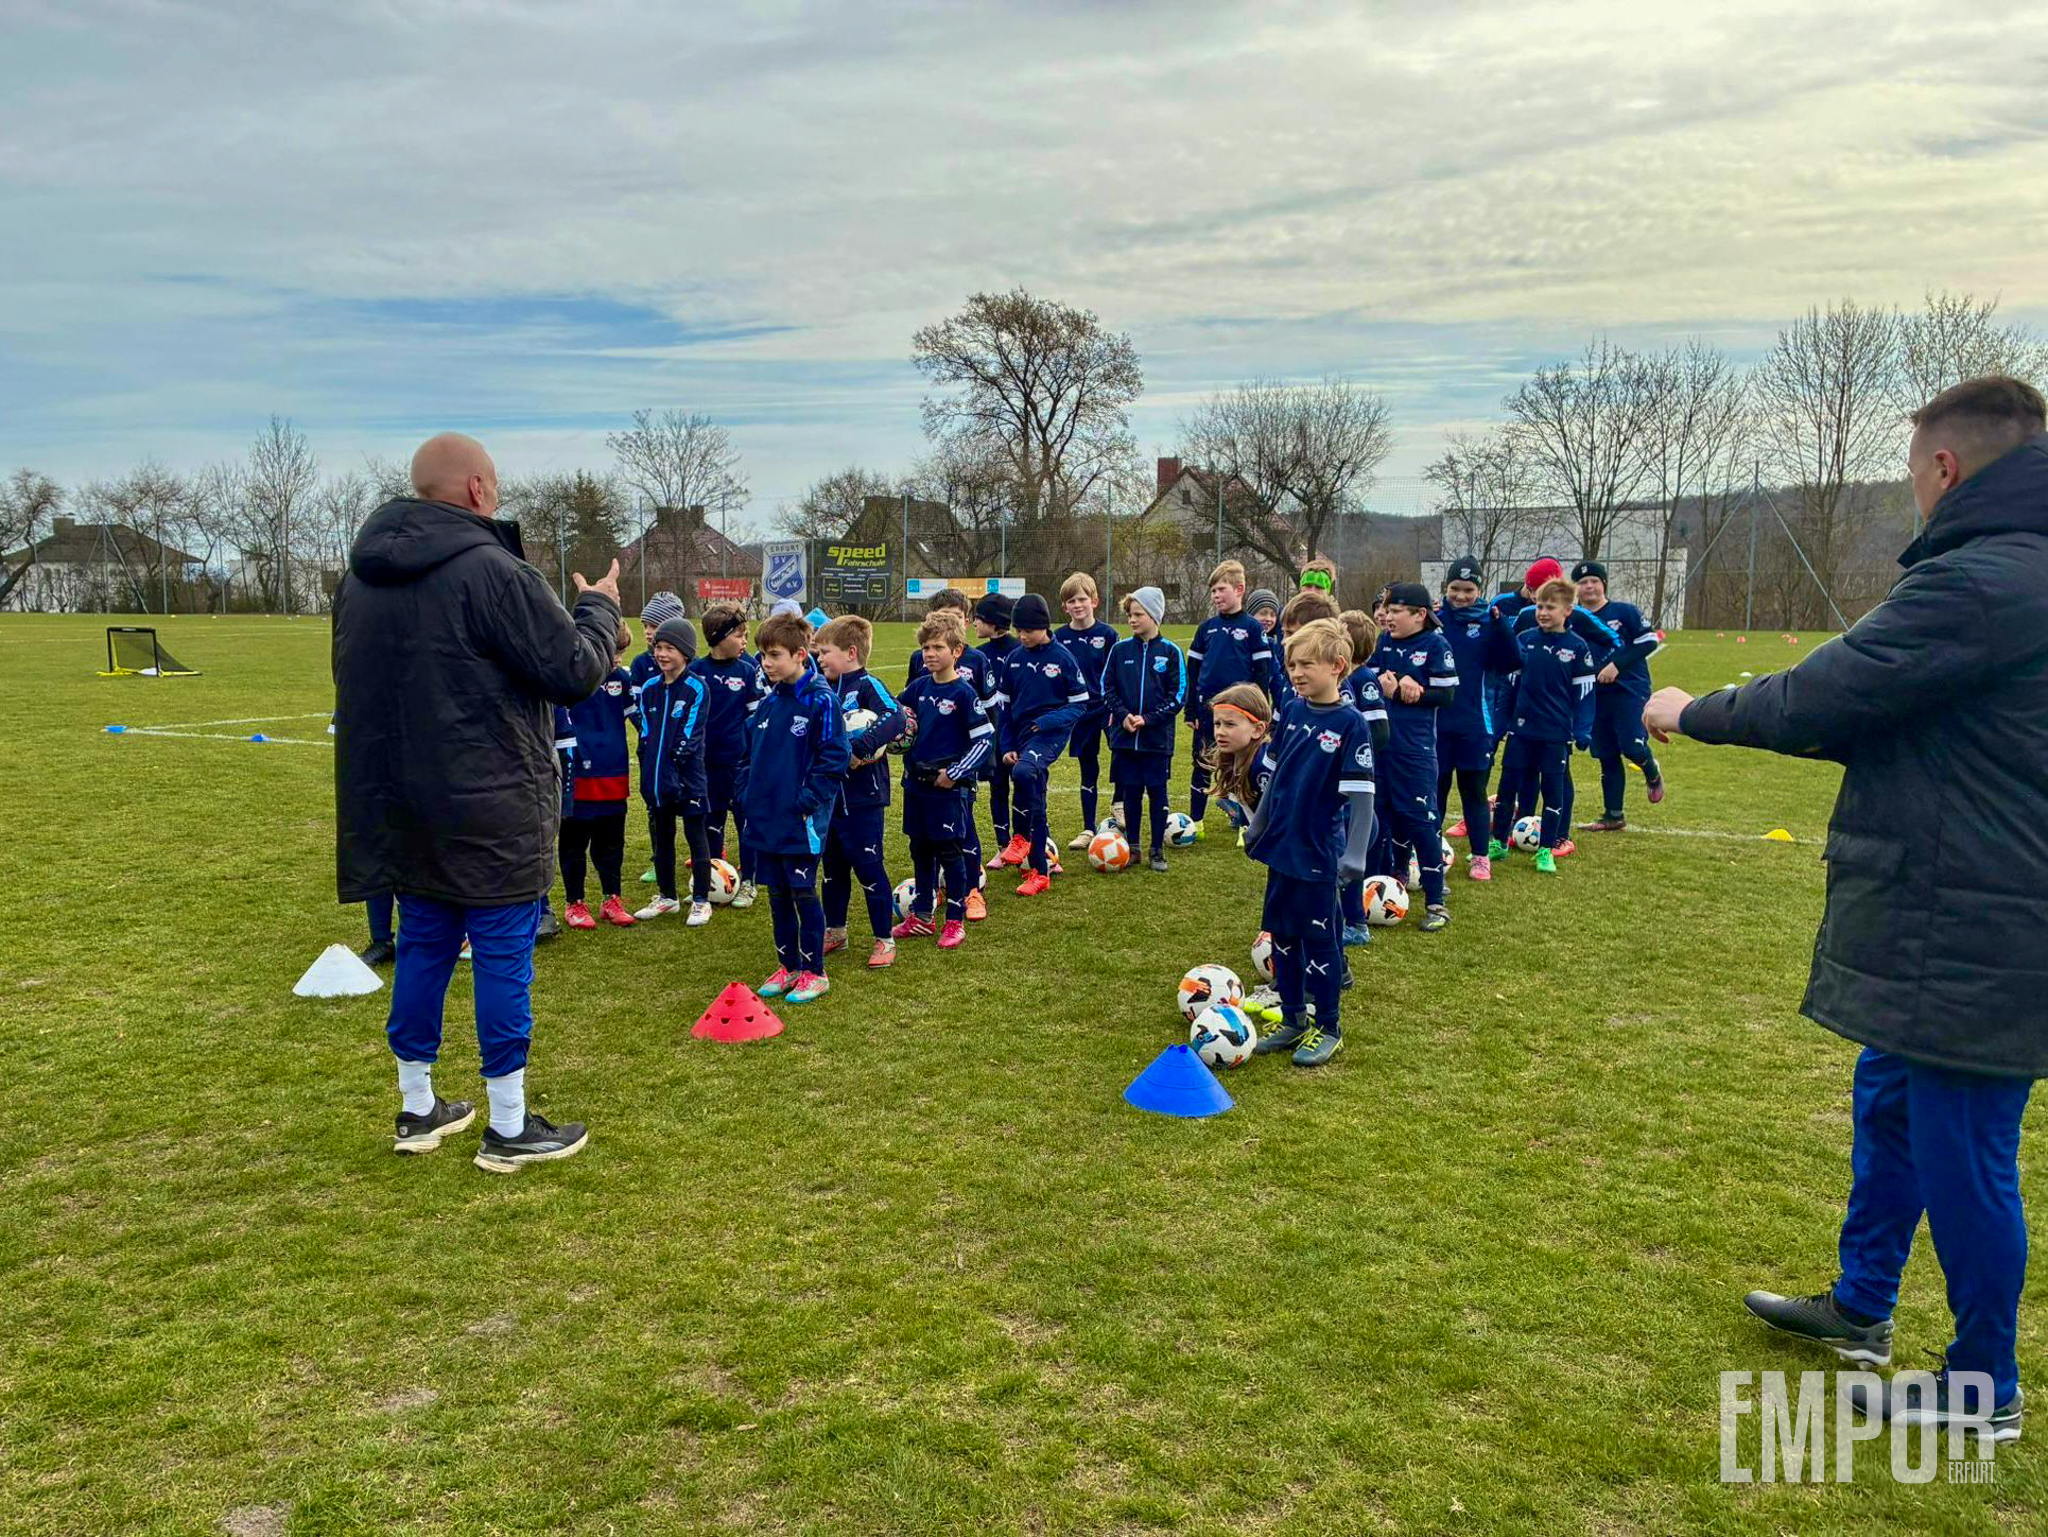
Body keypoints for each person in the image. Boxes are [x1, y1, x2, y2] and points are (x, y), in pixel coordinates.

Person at [1645, 376, 2048, 1440]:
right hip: (1945, 905)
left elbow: (1829, 690)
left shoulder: (1986, 579)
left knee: (1964, 1146)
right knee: (1888, 1100)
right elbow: (1881, 705)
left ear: (1945, 469)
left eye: (1913, 467)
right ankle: (1859, 1305)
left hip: (1981, 912)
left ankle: (1981, 1387)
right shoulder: (2007, 574)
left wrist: (1694, 709)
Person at [333, 431, 613, 1172]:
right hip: (490, 803)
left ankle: (417, 1104)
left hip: (401, 804)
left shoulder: (358, 581)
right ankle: (509, 1124)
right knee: (499, 954)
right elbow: (575, 669)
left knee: (423, 943)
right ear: (481, 492)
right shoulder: (494, 570)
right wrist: (597, 609)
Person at [1242, 620, 1376, 1068]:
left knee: (1321, 940)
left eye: (1305, 664)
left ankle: (1329, 1026)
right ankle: (1294, 1017)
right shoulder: (1293, 710)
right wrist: (1259, 823)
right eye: (1291, 664)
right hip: (1282, 844)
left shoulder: (1351, 723)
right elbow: (1276, 774)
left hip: (1319, 850)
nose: (1296, 672)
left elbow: (1363, 796)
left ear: (1337, 666)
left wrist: (1355, 852)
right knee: (1281, 933)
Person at [742, 611, 852, 1004]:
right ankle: (788, 967)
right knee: (777, 896)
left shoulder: (821, 702)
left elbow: (835, 758)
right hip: (766, 820)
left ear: (800, 654)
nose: (766, 663)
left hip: (800, 822)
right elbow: (749, 756)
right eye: (762, 655)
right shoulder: (770, 705)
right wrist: (748, 794)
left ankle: (814, 973)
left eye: (773, 655)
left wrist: (804, 803)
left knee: (803, 893)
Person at [894, 612, 994, 948]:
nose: (929, 653)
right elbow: (895, 718)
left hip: (947, 789)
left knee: (949, 852)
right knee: (919, 849)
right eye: (925, 647)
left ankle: (954, 920)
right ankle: (923, 916)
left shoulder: (964, 694)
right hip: (916, 785)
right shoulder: (918, 688)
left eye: (937, 646)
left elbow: (984, 740)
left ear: (957, 650)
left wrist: (955, 773)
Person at [815, 615, 907, 968]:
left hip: (864, 797)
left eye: (826, 652)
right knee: (833, 868)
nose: (820, 659)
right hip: (830, 796)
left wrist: (860, 748)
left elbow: (894, 717)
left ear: (850, 652)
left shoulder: (867, 684)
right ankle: (835, 932)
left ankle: (884, 939)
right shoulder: (823, 689)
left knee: (868, 866)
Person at [1371, 582, 1457, 932]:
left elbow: (1447, 694)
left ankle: (1436, 901)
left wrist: (1415, 692)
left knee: (1422, 822)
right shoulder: (1384, 642)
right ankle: (1394, 881)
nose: (1387, 616)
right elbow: (1373, 672)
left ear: (1420, 614)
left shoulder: (1436, 644)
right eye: (1387, 610)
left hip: (1416, 750)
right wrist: (1382, 680)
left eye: (1395, 611)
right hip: (1382, 748)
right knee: (1386, 816)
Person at [1493, 579, 1594, 873]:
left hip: (1556, 733)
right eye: (1539, 606)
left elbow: (1585, 693)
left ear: (1568, 611)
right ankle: (1498, 842)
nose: (1543, 612)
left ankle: (1546, 849)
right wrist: (1501, 725)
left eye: (1551, 607)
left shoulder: (1577, 647)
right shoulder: (1524, 640)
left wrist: (1584, 728)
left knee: (1553, 791)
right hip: (1521, 730)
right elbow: (1508, 687)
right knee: (1507, 786)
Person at [1436, 558, 1521, 879]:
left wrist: (1502, 627)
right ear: (1446, 587)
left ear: (1479, 589)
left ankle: (1480, 855)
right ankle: (1430, 851)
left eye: (1468, 590)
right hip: (1438, 723)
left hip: (1476, 723)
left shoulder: (1490, 621)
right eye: (1455, 588)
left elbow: (1513, 661)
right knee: (1436, 790)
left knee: (1473, 791)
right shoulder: (1434, 620)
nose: (1460, 595)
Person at [1000, 594, 1089, 895]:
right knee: (1034, 792)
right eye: (1018, 630)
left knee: (1024, 774)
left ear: (1044, 626)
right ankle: (1041, 871)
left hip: (1050, 734)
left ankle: (1021, 837)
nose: (1022, 636)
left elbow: (1080, 705)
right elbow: (1005, 710)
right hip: (1022, 734)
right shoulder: (1014, 659)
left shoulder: (1062, 658)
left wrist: (1048, 722)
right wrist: (1007, 745)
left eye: (1028, 630)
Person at [1570, 561, 1667, 831]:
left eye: (1594, 581)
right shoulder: (1573, 617)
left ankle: (1651, 770)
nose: (1589, 586)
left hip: (1629, 690)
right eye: (1583, 582)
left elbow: (1649, 641)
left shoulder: (1623, 612)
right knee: (1606, 753)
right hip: (1594, 696)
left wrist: (1617, 665)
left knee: (1632, 745)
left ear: (1603, 584)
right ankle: (1613, 816)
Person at [554, 620, 640, 929]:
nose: (617, 658)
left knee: (611, 840)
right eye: (613, 651)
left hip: (614, 772)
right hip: (578, 773)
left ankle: (611, 899)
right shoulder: (571, 681)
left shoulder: (621, 680)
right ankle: (574, 902)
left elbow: (637, 717)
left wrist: (653, 740)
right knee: (575, 841)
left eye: (621, 652)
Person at [633, 617, 714, 925]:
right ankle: (667, 897)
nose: (662, 654)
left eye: (669, 648)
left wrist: (672, 771)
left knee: (696, 837)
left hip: (688, 779)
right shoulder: (650, 688)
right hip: (656, 781)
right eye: (658, 647)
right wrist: (651, 772)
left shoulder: (696, 688)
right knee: (662, 839)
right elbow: (645, 735)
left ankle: (701, 900)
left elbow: (689, 738)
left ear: (685, 652)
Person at [1185, 560, 1276, 831]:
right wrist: (1191, 708)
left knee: (1241, 765)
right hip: (1207, 710)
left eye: (1221, 589)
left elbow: (1262, 672)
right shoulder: (1206, 628)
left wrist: (1260, 709)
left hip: (1242, 712)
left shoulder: (1252, 628)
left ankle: (1244, 819)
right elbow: (1193, 671)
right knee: (1201, 760)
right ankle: (1195, 821)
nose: (1215, 595)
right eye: (1212, 591)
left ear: (1239, 589)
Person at [690, 603, 767, 908]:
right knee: (711, 821)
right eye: (739, 635)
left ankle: (749, 881)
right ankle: (712, 877)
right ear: (718, 637)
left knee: (746, 822)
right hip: (706, 764)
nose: (744, 641)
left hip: (740, 764)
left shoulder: (747, 671)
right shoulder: (696, 672)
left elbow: (757, 718)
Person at [1104, 586, 1185, 872]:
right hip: (1125, 739)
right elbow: (1107, 688)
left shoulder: (1172, 653)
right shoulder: (1119, 650)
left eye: (1138, 614)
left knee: (1158, 792)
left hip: (1156, 739)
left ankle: (1157, 850)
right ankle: (1134, 847)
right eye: (1130, 614)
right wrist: (1124, 715)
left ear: (1154, 615)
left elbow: (1178, 696)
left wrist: (1148, 719)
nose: (1132, 620)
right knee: (1131, 792)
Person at [1055, 572, 1120, 846]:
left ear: (1094, 601)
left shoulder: (1108, 635)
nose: (1077, 604)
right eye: (1071, 600)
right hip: (1079, 712)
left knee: (1121, 756)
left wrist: (1118, 707)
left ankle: (1120, 806)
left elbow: (1117, 674)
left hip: (1108, 709)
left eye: (1082, 599)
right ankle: (1088, 828)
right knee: (1088, 767)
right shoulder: (1059, 637)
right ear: (1065, 607)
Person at [972, 594, 1024, 867]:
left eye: (978, 618)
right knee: (997, 787)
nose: (974, 623)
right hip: (992, 733)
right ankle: (1003, 845)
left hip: (1019, 731)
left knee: (1027, 787)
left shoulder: (1019, 650)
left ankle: (1031, 843)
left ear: (994, 622)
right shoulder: (979, 654)